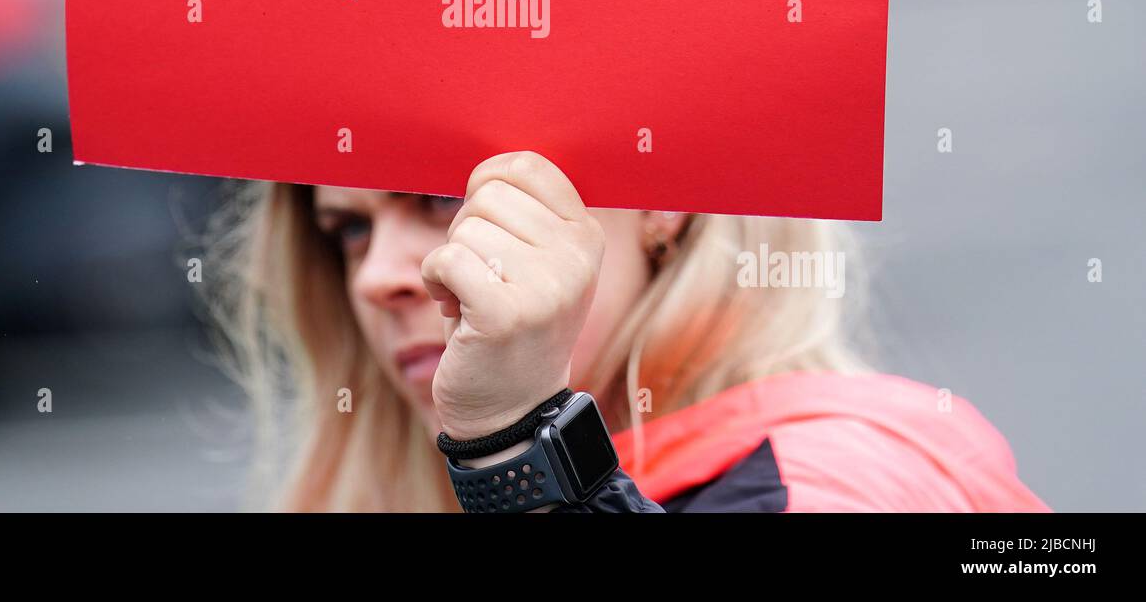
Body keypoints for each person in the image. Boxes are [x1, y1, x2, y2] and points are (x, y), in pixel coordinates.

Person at [209, 151, 1049, 513]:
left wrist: (517, 455)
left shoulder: (829, 480)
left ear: (659, 201)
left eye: (442, 201)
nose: (375, 273)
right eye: (347, 230)